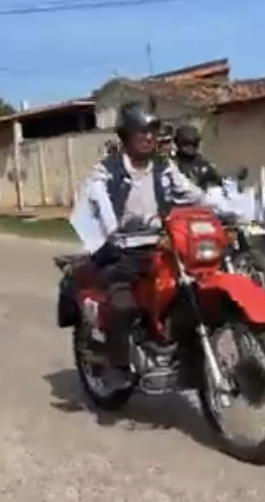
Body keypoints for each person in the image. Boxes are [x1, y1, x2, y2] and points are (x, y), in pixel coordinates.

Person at [73, 102, 209, 379]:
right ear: (127, 135)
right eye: (141, 132)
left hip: (159, 248)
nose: (148, 137)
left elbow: (192, 193)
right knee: (123, 306)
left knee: (190, 293)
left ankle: (186, 358)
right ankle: (118, 366)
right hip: (122, 253)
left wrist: (227, 207)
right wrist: (110, 230)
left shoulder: (163, 167)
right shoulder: (107, 170)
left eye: (152, 132)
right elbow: (95, 200)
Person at [172, 124, 223, 189]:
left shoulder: (202, 163)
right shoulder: (173, 164)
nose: (191, 148)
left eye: (194, 143)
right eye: (187, 144)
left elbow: (216, 182)